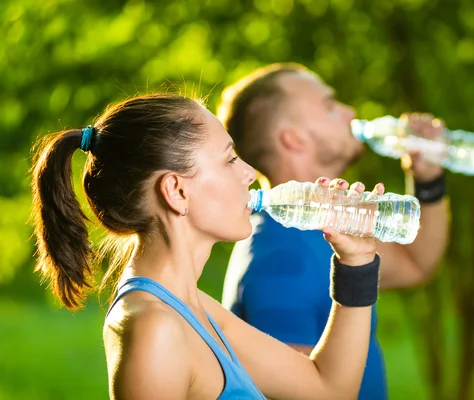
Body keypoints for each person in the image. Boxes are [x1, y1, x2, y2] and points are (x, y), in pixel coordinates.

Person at [30, 93, 390, 399]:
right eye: (230, 158)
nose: (250, 172)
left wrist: (356, 261)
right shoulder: (154, 330)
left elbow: (329, 389)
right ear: (177, 191)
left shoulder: (194, 307)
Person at [219, 63, 450, 399]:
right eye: (330, 106)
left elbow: (417, 264)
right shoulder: (280, 259)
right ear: (293, 138)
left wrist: (428, 179)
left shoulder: (326, 227)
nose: (349, 112)